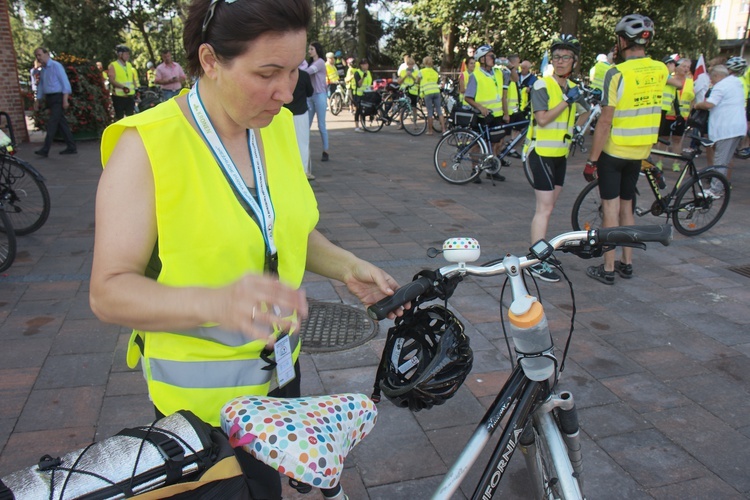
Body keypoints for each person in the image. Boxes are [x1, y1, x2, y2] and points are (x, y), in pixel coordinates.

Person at [89, 1, 403, 498]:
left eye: (295, 70)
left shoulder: (272, 124)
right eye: (267, 72)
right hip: (202, 407)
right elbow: (108, 292)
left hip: (280, 373)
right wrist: (217, 303)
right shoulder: (146, 147)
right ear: (211, 60)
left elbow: (282, 230)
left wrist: (347, 266)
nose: (287, 91)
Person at [584, 14, 668, 285]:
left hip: (615, 150)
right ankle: (626, 263)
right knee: (627, 207)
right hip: (640, 151)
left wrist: (592, 159)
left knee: (610, 210)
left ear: (621, 40)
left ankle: (608, 268)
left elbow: (605, 120)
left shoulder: (616, 72)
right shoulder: (661, 70)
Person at [524, 35, 587, 282]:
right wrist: (566, 101)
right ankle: (536, 259)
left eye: (566, 57)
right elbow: (543, 119)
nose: (560, 62)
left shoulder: (572, 89)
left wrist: (576, 130)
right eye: (557, 57)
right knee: (544, 209)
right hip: (540, 154)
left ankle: (542, 252)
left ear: (574, 62)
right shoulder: (542, 85)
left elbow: (585, 112)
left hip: (560, 155)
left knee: (549, 209)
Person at [693, 64, 746, 197]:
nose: (711, 81)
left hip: (726, 128)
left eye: (712, 78)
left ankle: (715, 190)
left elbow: (710, 103)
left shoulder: (721, 85)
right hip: (738, 127)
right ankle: (720, 187)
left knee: (720, 161)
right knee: (725, 160)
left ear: (717, 76)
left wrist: (697, 105)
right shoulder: (736, 82)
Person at [464, 44, 506, 182]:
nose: (493, 58)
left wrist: (509, 65)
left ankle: (491, 169)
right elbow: (468, 97)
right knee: (477, 145)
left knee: (497, 143)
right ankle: (474, 171)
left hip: (496, 114)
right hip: (482, 115)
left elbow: (514, 79)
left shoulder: (498, 72)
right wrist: (480, 107)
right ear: (482, 59)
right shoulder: (475, 75)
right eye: (490, 56)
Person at [32, 47, 77, 157]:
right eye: (36, 56)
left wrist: (65, 99)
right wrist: (38, 100)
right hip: (50, 98)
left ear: (47, 54)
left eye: (40, 55)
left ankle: (45, 149)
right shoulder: (43, 70)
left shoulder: (56, 66)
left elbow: (65, 83)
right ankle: (71, 146)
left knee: (52, 123)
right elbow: (41, 86)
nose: (38, 57)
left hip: (58, 97)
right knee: (61, 123)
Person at [286, 61, 314, 179]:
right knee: (302, 142)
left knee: (286, 142)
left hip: (285, 113)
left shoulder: (283, 75)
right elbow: (310, 92)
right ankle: (304, 170)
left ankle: (288, 168)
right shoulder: (304, 75)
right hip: (301, 113)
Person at [304, 41, 329, 161]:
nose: (309, 51)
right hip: (311, 96)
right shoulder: (311, 63)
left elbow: (307, 72)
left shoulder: (320, 62)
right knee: (306, 125)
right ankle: (304, 151)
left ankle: (326, 150)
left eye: (311, 49)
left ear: (317, 50)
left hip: (320, 95)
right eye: (309, 49)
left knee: (321, 125)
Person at [108, 45, 139, 119]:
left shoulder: (129, 65)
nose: (128, 56)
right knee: (120, 117)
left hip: (129, 95)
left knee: (130, 117)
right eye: (126, 54)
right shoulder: (113, 65)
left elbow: (132, 79)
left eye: (128, 54)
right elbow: (111, 80)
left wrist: (136, 88)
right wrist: (122, 87)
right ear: (120, 54)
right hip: (119, 96)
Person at [419, 56, 445, 135]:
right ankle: (443, 129)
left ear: (424, 63)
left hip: (427, 92)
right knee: (439, 111)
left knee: (430, 112)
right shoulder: (435, 72)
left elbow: (417, 80)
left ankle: (430, 131)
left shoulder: (421, 71)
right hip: (436, 91)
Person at [352, 58, 372, 133]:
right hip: (358, 94)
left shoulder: (369, 72)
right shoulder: (357, 73)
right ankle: (357, 126)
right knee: (358, 110)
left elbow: (369, 83)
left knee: (365, 110)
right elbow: (359, 84)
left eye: (367, 64)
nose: (366, 65)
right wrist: (363, 76)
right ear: (361, 65)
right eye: (364, 64)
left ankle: (364, 125)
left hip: (367, 93)